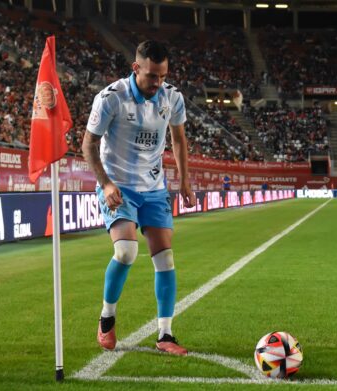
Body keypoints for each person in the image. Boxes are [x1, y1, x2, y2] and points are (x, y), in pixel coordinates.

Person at [82, 40, 195, 356]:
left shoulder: (172, 97)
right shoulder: (111, 98)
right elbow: (88, 145)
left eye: (162, 76)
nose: (157, 83)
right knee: (126, 253)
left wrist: (185, 182)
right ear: (136, 68)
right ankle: (107, 317)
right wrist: (104, 184)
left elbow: (179, 140)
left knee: (166, 259)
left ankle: (166, 335)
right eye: (151, 76)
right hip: (119, 186)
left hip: (155, 188)